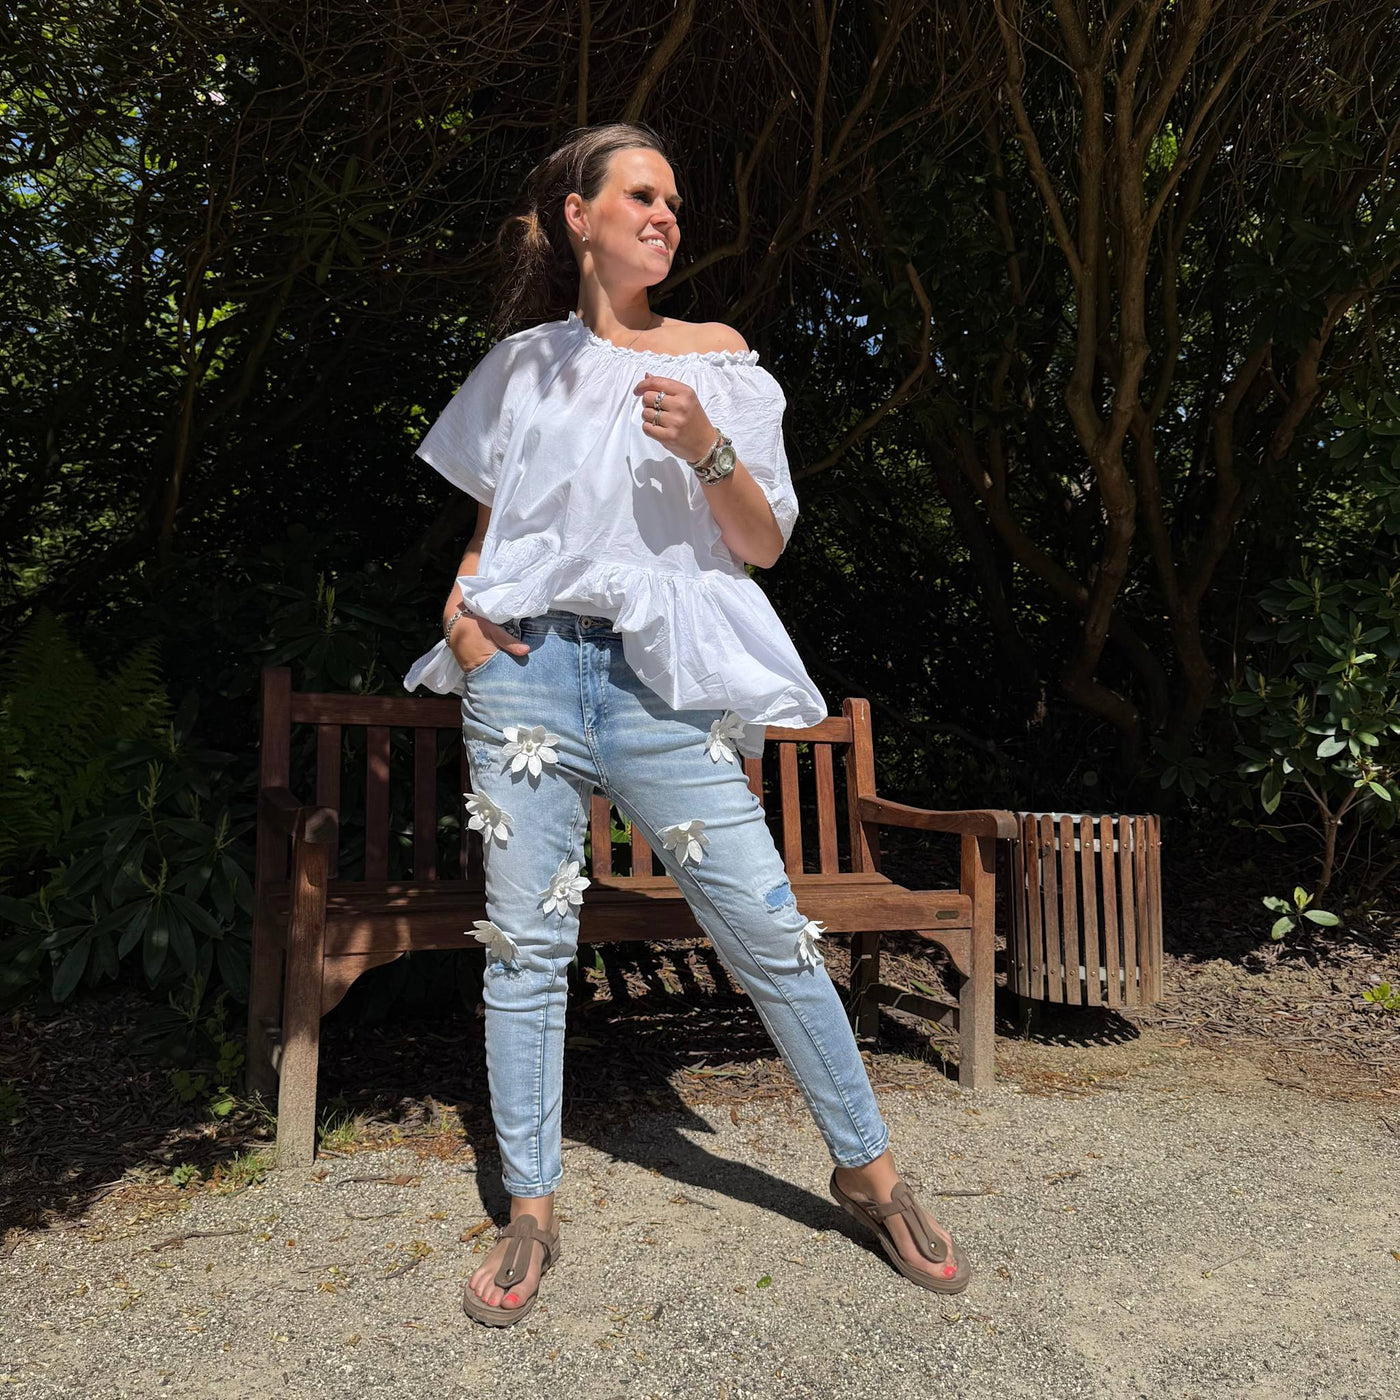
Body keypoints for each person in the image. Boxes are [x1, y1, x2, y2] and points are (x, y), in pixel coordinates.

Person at [403, 121, 970, 1327]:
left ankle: (868, 1172)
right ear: (579, 216)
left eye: (672, 199)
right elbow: (492, 532)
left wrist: (707, 447)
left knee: (766, 928)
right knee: (526, 947)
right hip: (525, 674)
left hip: (664, 688)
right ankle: (530, 1204)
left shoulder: (718, 360)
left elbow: (759, 544)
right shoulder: (521, 366)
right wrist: (460, 620)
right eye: (640, 196)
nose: (665, 215)